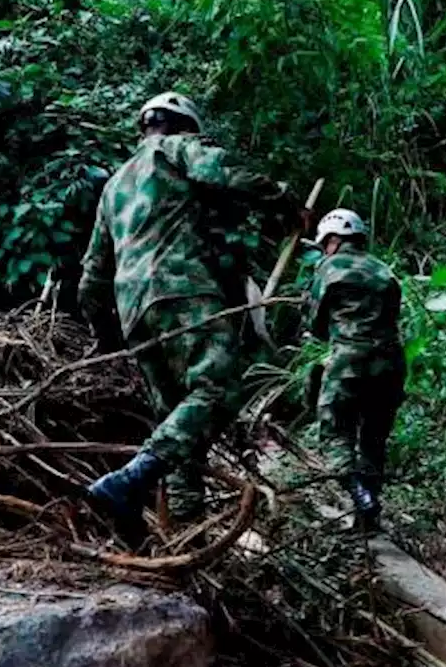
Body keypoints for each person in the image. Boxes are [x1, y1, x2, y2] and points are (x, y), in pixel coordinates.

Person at [77, 92, 294, 529]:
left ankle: (183, 532)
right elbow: (229, 173)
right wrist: (289, 206)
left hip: (133, 312)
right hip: (181, 290)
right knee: (219, 388)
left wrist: (105, 334)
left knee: (179, 424)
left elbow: (91, 277)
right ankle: (128, 480)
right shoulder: (174, 148)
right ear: (183, 126)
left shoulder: (114, 185)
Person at [302, 209, 405, 528]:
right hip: (391, 362)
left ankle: (359, 493)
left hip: (350, 360)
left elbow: (315, 323)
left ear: (332, 240)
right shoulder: (384, 270)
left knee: (335, 431)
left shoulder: (329, 267)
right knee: (374, 438)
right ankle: (368, 519)